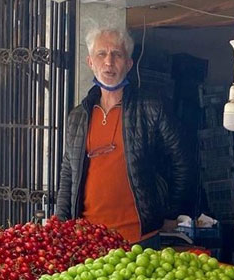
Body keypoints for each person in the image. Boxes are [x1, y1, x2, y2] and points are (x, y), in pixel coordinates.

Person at [56, 26, 195, 248]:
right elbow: (68, 173)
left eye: (117, 54)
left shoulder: (151, 107)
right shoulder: (78, 116)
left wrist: (171, 212)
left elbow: (183, 159)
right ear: (90, 62)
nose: (109, 62)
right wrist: (61, 225)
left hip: (139, 239)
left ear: (129, 64)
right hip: (88, 239)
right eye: (101, 54)